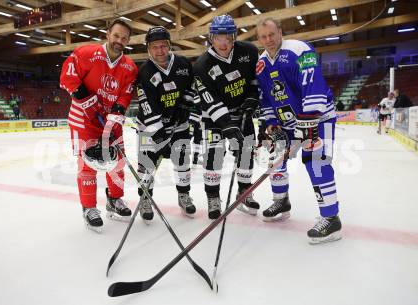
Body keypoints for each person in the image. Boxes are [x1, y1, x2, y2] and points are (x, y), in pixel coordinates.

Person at [256, 17, 341, 244]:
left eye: (272, 34)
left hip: (319, 118)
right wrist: (271, 123)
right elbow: (267, 98)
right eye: (263, 37)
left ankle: (331, 219)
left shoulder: (300, 49)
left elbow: (314, 84)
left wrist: (309, 119)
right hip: (289, 123)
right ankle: (281, 201)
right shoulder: (261, 63)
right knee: (275, 158)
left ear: (280, 32)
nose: (268, 40)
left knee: (316, 161)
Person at [60, 19, 138, 232]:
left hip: (110, 121)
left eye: (124, 38)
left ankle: (115, 200)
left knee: (118, 163)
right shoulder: (87, 53)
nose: (119, 41)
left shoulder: (129, 67)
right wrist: (85, 97)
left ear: (128, 40)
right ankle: (89, 208)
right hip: (84, 119)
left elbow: (126, 93)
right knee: (87, 165)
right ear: (107, 34)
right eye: (116, 36)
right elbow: (68, 75)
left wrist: (119, 110)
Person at [193, 14, 260, 219]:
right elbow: (208, 99)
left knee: (246, 153)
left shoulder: (248, 52)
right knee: (214, 156)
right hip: (214, 118)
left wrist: (251, 98)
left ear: (234, 36)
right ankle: (213, 197)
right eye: (218, 38)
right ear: (211, 38)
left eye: (228, 38)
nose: (223, 43)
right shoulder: (202, 64)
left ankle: (245, 191)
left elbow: (255, 81)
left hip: (242, 113)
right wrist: (227, 124)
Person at [135, 26, 196, 223]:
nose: (160, 51)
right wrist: (158, 133)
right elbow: (146, 105)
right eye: (155, 47)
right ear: (148, 49)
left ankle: (183, 195)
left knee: (182, 163)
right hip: (149, 128)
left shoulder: (183, 64)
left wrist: (186, 104)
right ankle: (145, 198)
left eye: (163, 46)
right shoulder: (144, 72)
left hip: (179, 125)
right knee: (146, 166)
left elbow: (190, 86)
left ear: (169, 46)